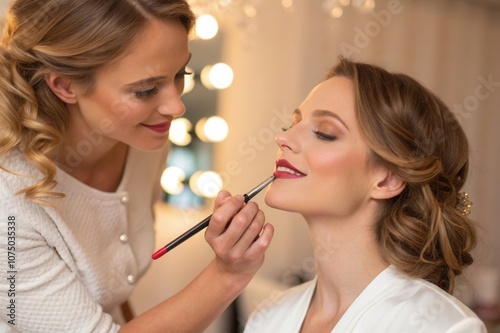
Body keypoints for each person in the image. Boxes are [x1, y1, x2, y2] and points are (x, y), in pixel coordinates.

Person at [0, 1, 274, 332]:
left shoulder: (143, 140)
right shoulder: (8, 206)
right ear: (64, 85)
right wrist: (228, 275)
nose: (176, 106)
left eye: (180, 74)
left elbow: (106, 288)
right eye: (145, 90)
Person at [244, 57, 487, 332]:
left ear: (387, 179)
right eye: (292, 124)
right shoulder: (267, 318)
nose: (282, 137)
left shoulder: (444, 327)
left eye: (324, 133)